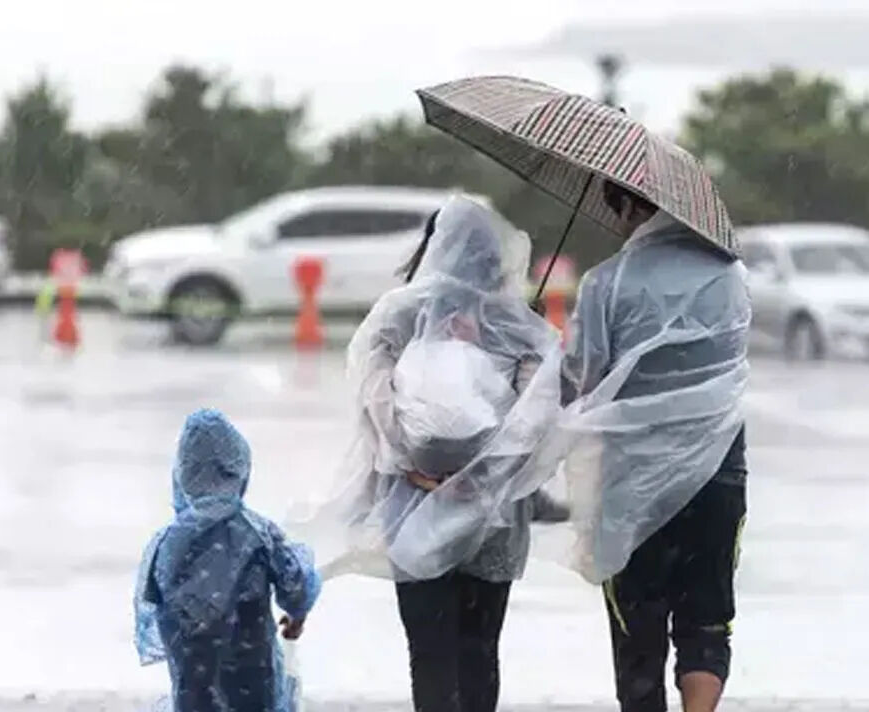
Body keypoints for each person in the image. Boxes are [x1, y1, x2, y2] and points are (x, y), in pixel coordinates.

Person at [290, 195, 564, 712]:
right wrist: (482, 478)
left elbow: (375, 402)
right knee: (481, 650)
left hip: (414, 505)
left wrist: (412, 464)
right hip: (494, 518)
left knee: (430, 653)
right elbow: (534, 420)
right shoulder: (517, 323)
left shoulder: (399, 314)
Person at [562, 179, 750, 712]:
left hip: (632, 484)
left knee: (637, 628)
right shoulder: (730, 274)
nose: (615, 222)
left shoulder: (607, 281)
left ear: (631, 205)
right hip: (718, 472)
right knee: (707, 621)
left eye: (615, 209)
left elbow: (583, 382)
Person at [134, 408, 323, 712]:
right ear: (240, 469)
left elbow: (153, 606)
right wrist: (297, 617)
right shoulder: (259, 532)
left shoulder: (167, 542)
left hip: (192, 677)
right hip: (253, 674)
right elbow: (296, 585)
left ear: (183, 474)